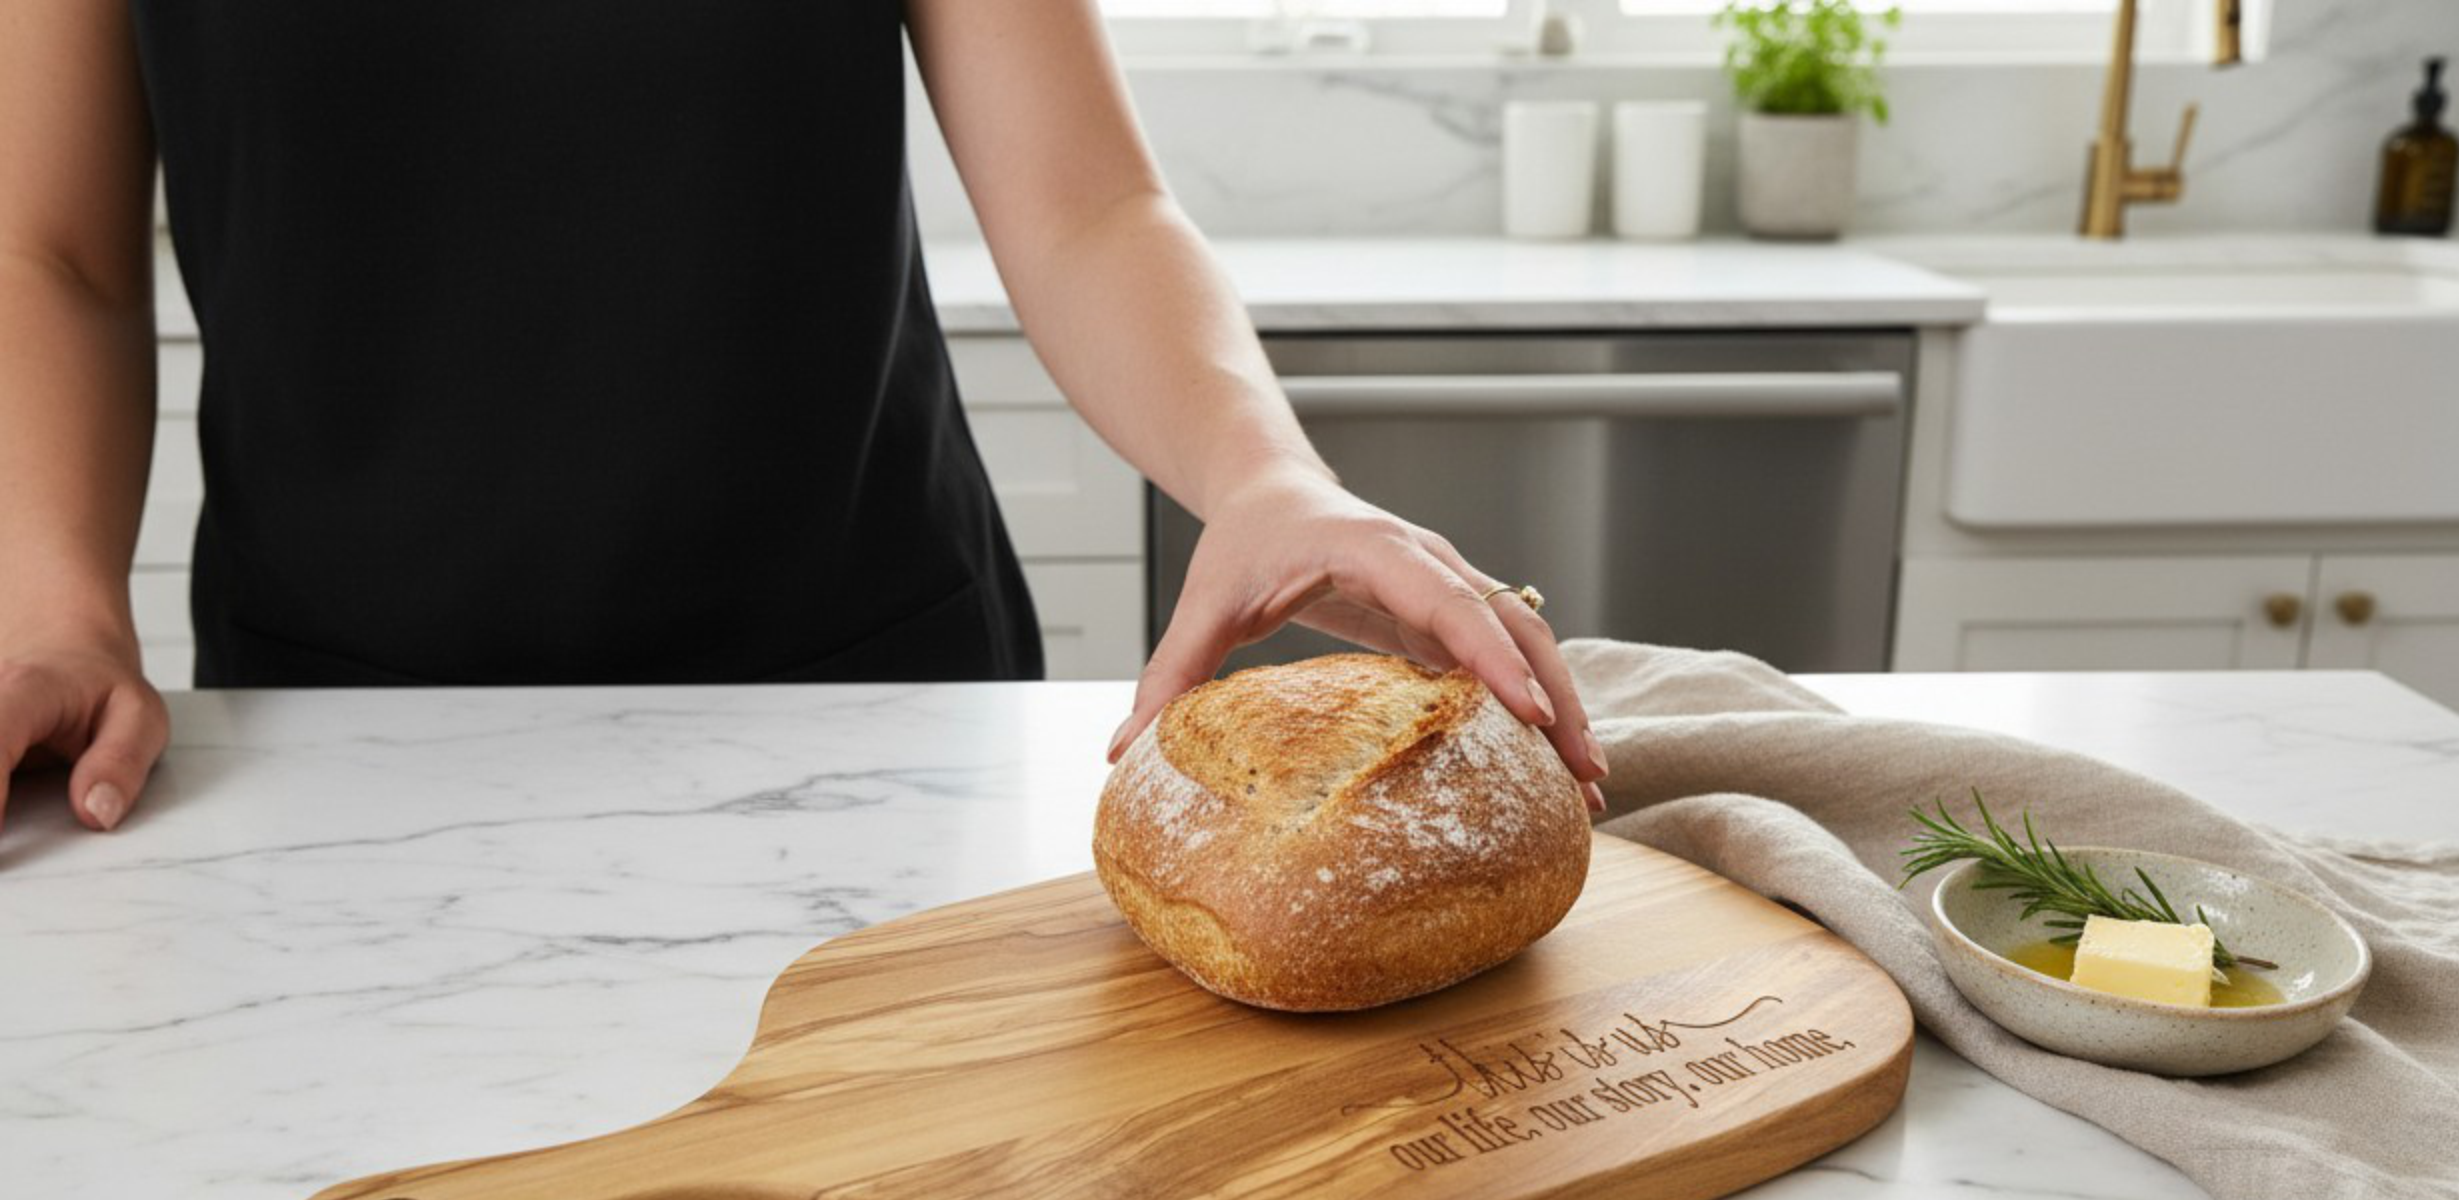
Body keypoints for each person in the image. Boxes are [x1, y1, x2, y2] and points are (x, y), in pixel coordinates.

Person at [0, 0, 1608, 839]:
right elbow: (49, 250)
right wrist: (60, 607)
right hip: (331, 737)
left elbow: (1088, 206)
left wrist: (1264, 473)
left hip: (861, 706)